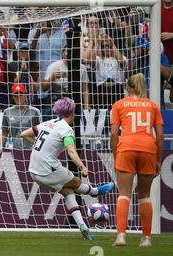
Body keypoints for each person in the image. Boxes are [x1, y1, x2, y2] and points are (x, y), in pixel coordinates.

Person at [20, 97, 115, 240]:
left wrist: (40, 148)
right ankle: (95, 192)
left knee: (68, 191)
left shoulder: (49, 123)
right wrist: (82, 166)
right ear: (72, 113)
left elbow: (24, 134)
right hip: (47, 169)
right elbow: (71, 151)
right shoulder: (67, 130)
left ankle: (82, 226)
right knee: (76, 182)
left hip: (34, 170)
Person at [110, 73, 164, 247]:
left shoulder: (119, 105)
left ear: (127, 87)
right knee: (145, 196)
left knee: (124, 194)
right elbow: (160, 135)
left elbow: (113, 133)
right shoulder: (153, 106)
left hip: (126, 147)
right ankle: (146, 238)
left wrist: (116, 154)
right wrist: (158, 159)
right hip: (148, 148)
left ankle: (121, 236)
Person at [2, 83, 41, 149]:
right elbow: (4, 132)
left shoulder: (35, 112)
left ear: (25, 95)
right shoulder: (7, 112)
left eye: (21, 94)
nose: (19, 97)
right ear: (13, 96)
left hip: (30, 148)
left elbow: (40, 132)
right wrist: (2, 148)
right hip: (13, 148)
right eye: (16, 95)